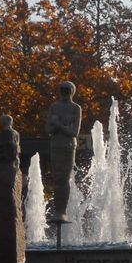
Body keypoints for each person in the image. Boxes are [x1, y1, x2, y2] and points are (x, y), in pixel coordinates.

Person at [44, 81, 82, 221]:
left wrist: (58, 124)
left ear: (72, 91)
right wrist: (58, 125)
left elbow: (74, 132)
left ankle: (62, 211)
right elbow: (48, 130)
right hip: (56, 145)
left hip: (68, 146)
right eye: (63, 90)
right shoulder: (54, 107)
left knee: (64, 179)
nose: (65, 92)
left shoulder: (75, 108)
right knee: (57, 178)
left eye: (67, 90)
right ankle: (58, 210)